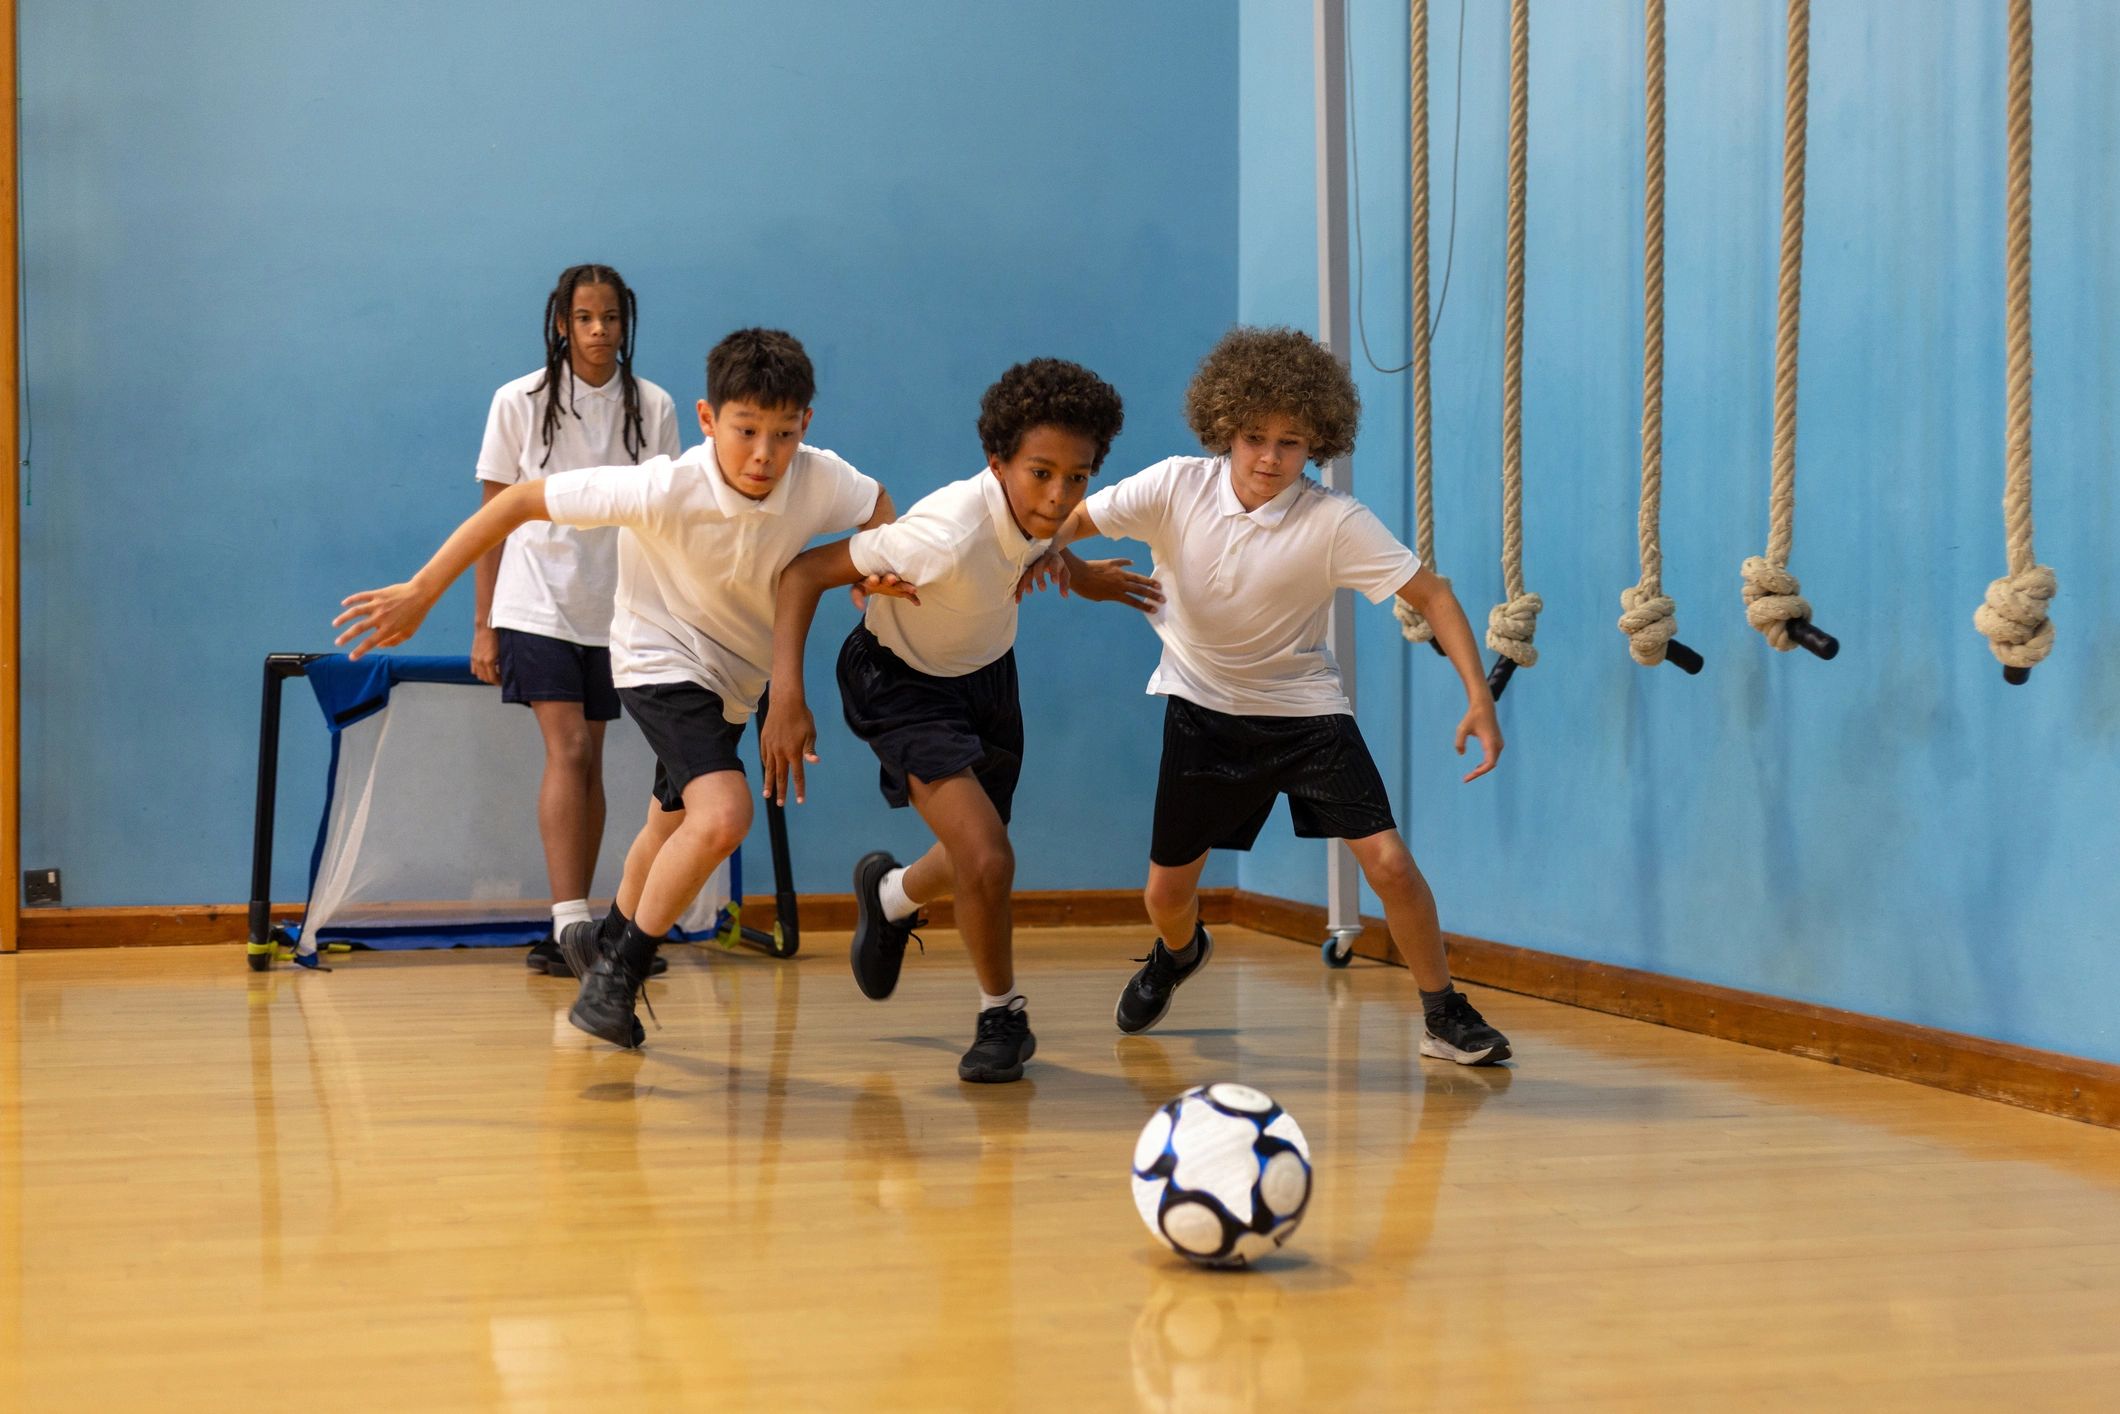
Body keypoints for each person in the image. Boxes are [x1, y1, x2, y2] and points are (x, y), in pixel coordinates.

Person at [337, 328, 894, 1048]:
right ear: (706, 418)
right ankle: (617, 978)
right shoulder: (663, 486)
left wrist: (874, 577)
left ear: (806, 426)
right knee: (724, 814)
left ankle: (607, 945)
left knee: (670, 830)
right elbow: (517, 503)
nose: (764, 454)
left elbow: (880, 506)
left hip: (734, 677)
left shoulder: (819, 478)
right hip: (658, 660)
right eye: (746, 430)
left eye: (783, 434)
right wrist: (422, 589)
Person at [1034, 326, 1513, 1065]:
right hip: (1201, 709)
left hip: (1303, 713)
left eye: (1290, 442)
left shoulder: (1335, 522)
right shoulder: (1172, 486)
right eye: (1254, 436)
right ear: (1223, 428)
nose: (1268, 457)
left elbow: (1435, 595)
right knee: (1164, 898)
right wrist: (1066, 564)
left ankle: (1443, 1012)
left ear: (1317, 441)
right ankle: (1177, 953)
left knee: (1388, 862)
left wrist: (1478, 697)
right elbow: (1065, 520)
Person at [762, 358, 1155, 1082]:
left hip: (985, 680)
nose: (1060, 493)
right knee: (989, 858)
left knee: (980, 850)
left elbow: (1044, 535)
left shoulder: (1044, 505)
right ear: (996, 462)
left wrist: (1082, 575)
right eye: (1042, 473)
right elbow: (804, 574)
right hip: (899, 680)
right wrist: (787, 693)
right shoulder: (939, 534)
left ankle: (889, 897)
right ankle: (1001, 1015)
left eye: (1078, 477)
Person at [473, 264, 680, 975]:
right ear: (561, 323)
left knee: (589, 760)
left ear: (627, 324)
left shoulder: (653, 407)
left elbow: (670, 521)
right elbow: (491, 521)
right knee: (568, 752)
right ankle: (569, 927)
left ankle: (595, 927)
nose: (599, 331)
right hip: (536, 603)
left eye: (612, 318)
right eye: (585, 318)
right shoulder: (518, 401)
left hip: (619, 610)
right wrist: (483, 624)